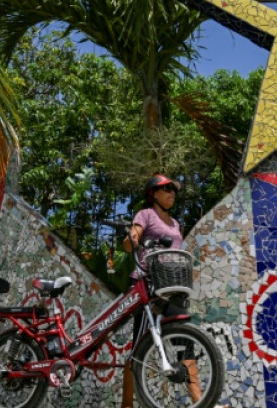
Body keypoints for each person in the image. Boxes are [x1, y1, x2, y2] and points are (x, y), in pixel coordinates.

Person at [120, 174, 202, 407]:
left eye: (173, 190)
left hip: (171, 287)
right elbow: (131, 239)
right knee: (139, 346)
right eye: (166, 189)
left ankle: (200, 401)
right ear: (153, 193)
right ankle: (126, 405)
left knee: (185, 342)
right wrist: (132, 239)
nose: (171, 193)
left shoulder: (176, 224)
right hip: (147, 286)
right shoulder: (145, 214)